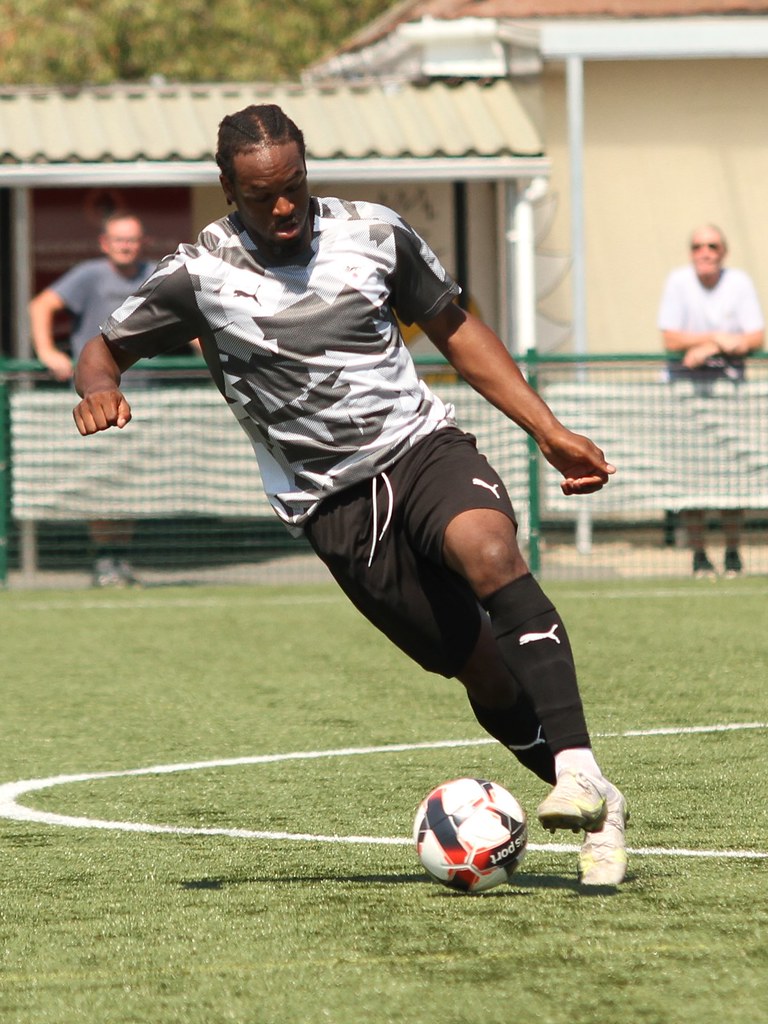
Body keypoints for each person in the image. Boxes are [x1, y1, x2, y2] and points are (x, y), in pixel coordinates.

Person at [72, 104, 628, 886]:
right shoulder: (198, 275)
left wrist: (548, 428)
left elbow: (455, 326)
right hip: (329, 508)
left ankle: (580, 768)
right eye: (264, 195)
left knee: (489, 547)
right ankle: (604, 807)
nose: (285, 206)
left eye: (295, 185)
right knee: (482, 673)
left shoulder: (375, 233)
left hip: (419, 449)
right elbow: (104, 344)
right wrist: (99, 387)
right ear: (229, 189)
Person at [29, 212, 155, 587]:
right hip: (97, 399)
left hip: (143, 398)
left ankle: (121, 558)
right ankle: (103, 558)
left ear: (141, 242)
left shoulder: (155, 274)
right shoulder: (88, 275)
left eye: (132, 239)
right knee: (100, 484)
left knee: (131, 485)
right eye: (119, 239)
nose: (126, 246)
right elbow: (40, 307)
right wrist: (48, 352)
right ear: (105, 243)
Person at [658, 224, 765, 578]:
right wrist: (718, 339)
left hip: (728, 393)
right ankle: (699, 554)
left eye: (713, 246)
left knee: (732, 474)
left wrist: (711, 346)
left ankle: (733, 552)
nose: (706, 252)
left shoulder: (739, 283)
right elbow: (671, 339)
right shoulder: (678, 282)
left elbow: (753, 336)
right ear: (691, 252)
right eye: (698, 246)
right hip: (687, 395)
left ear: (723, 251)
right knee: (692, 477)